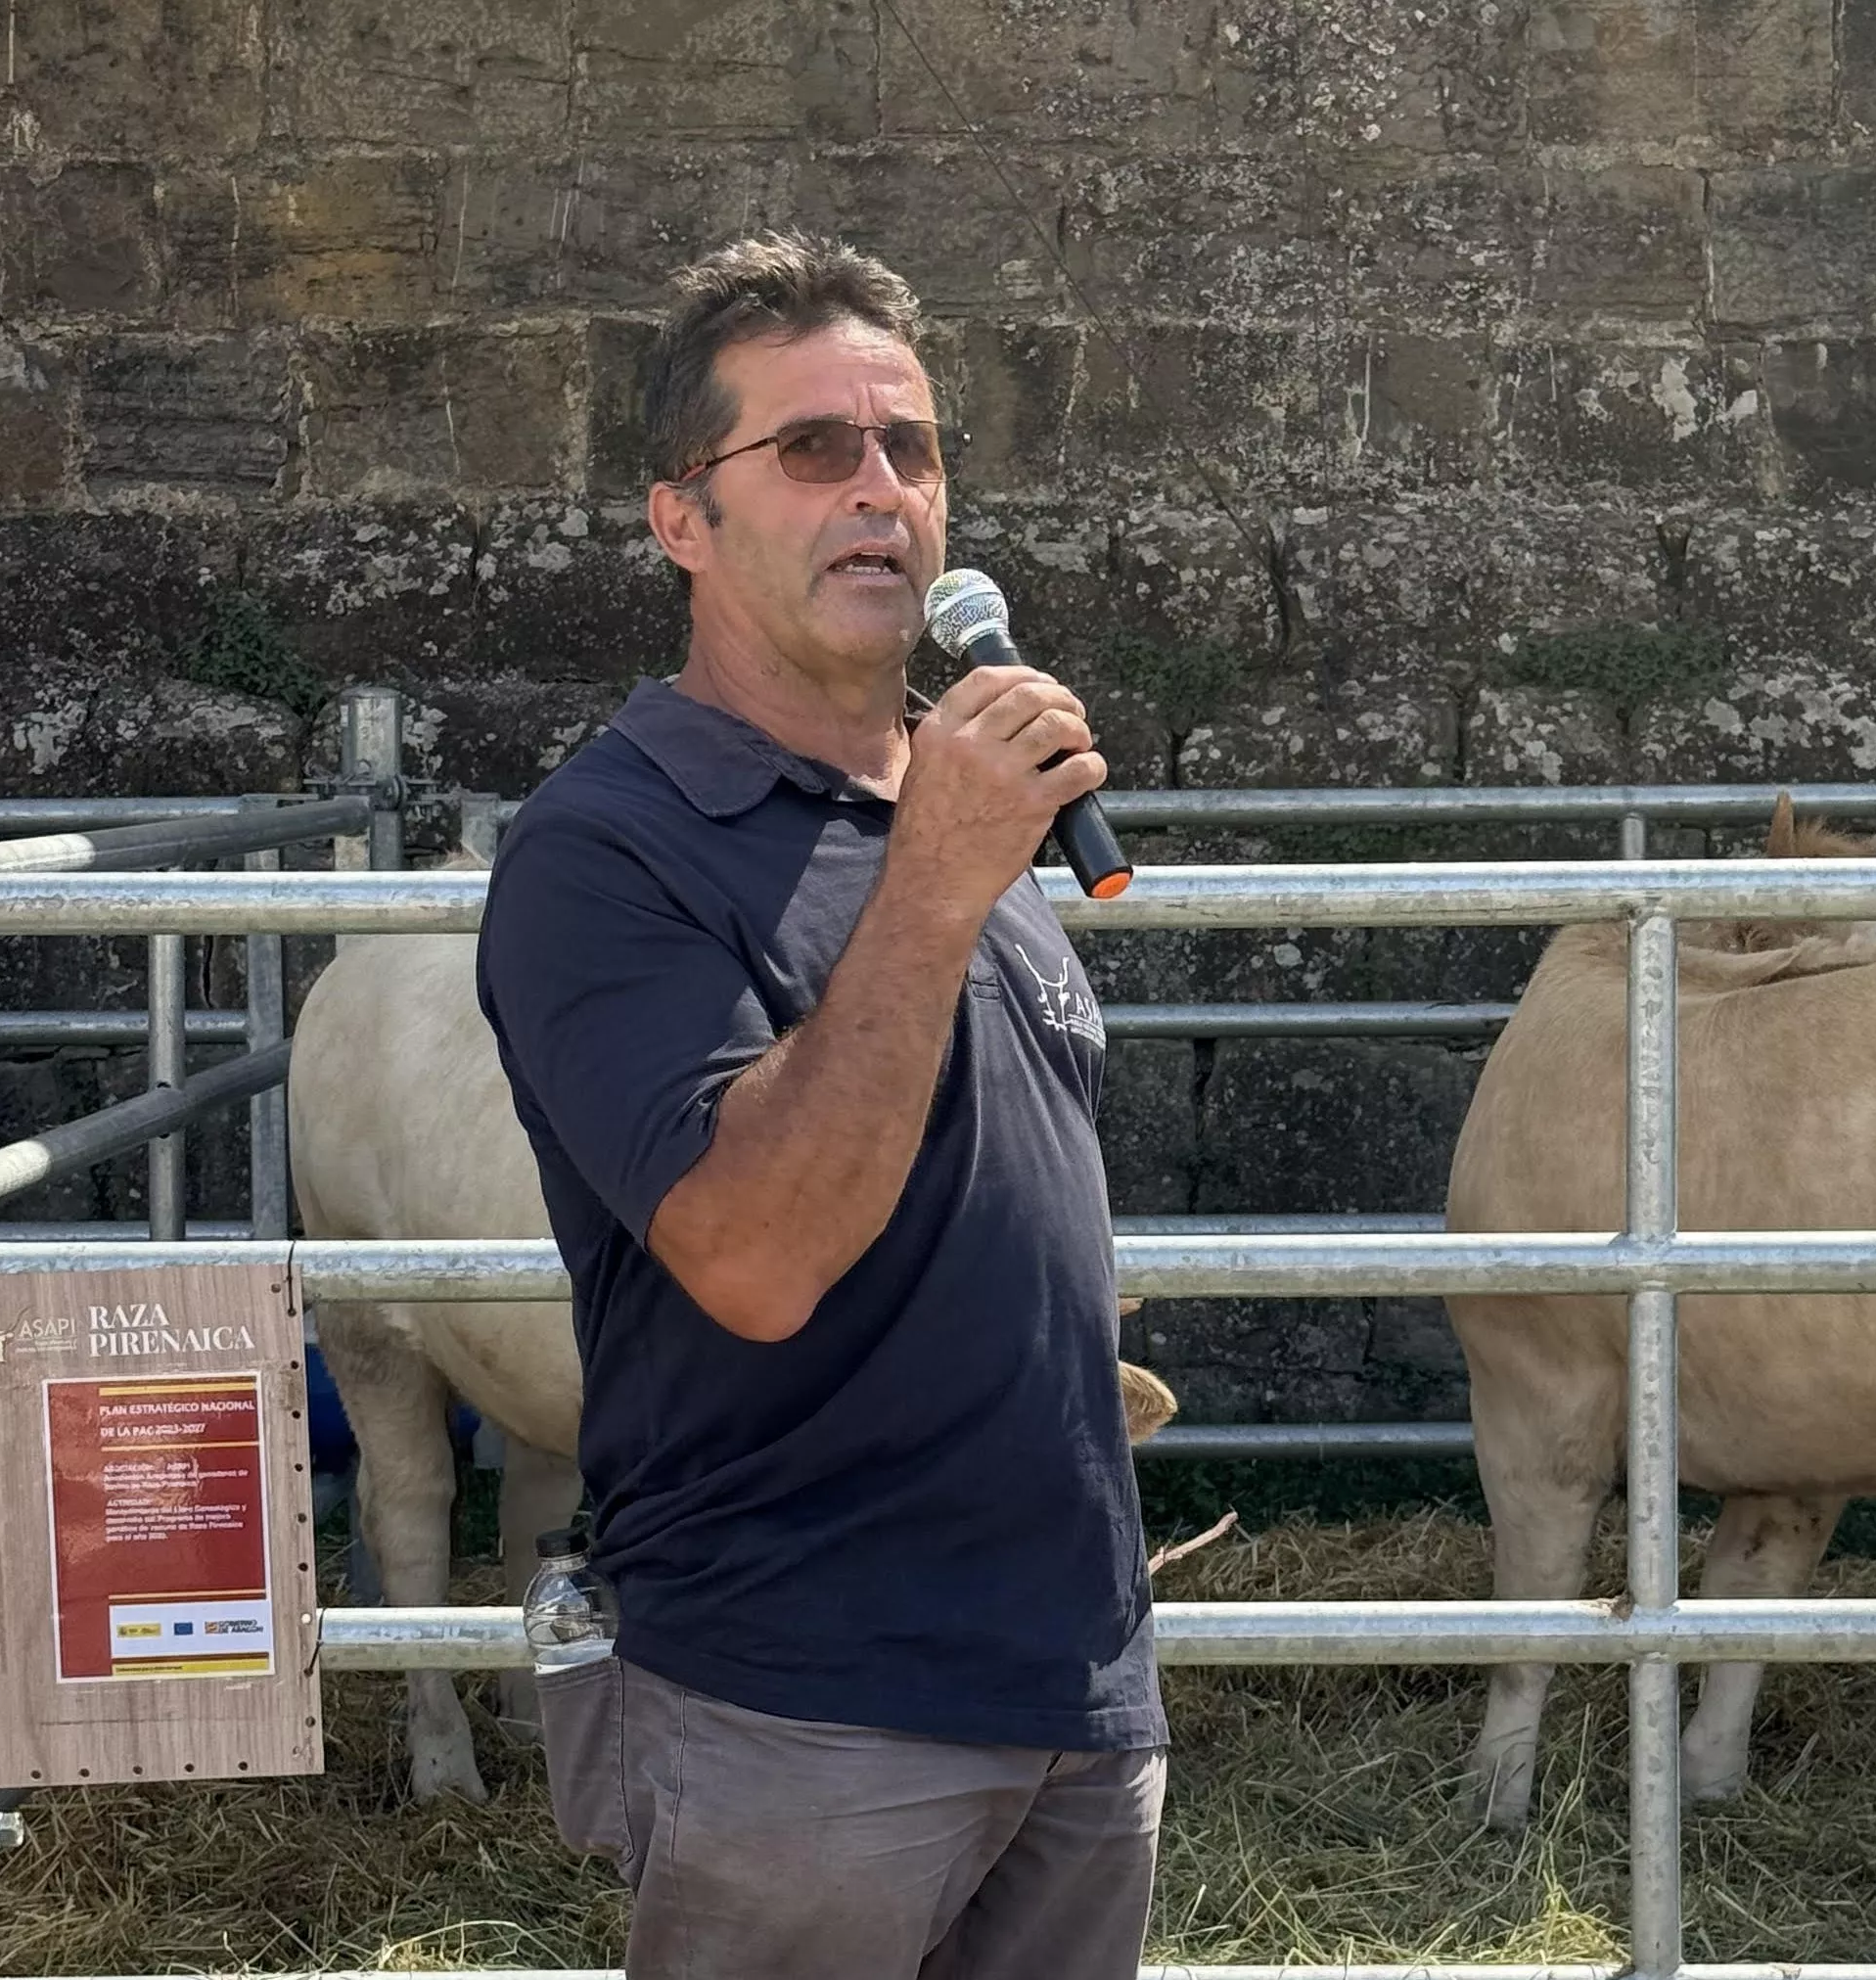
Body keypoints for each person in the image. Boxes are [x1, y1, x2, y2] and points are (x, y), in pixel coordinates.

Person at [474, 229, 1166, 1980]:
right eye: (810, 448)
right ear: (682, 519)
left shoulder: (963, 810)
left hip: (1071, 1678)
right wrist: (934, 876)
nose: (878, 488)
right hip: (803, 1705)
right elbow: (757, 1253)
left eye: (907, 447)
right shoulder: (608, 847)